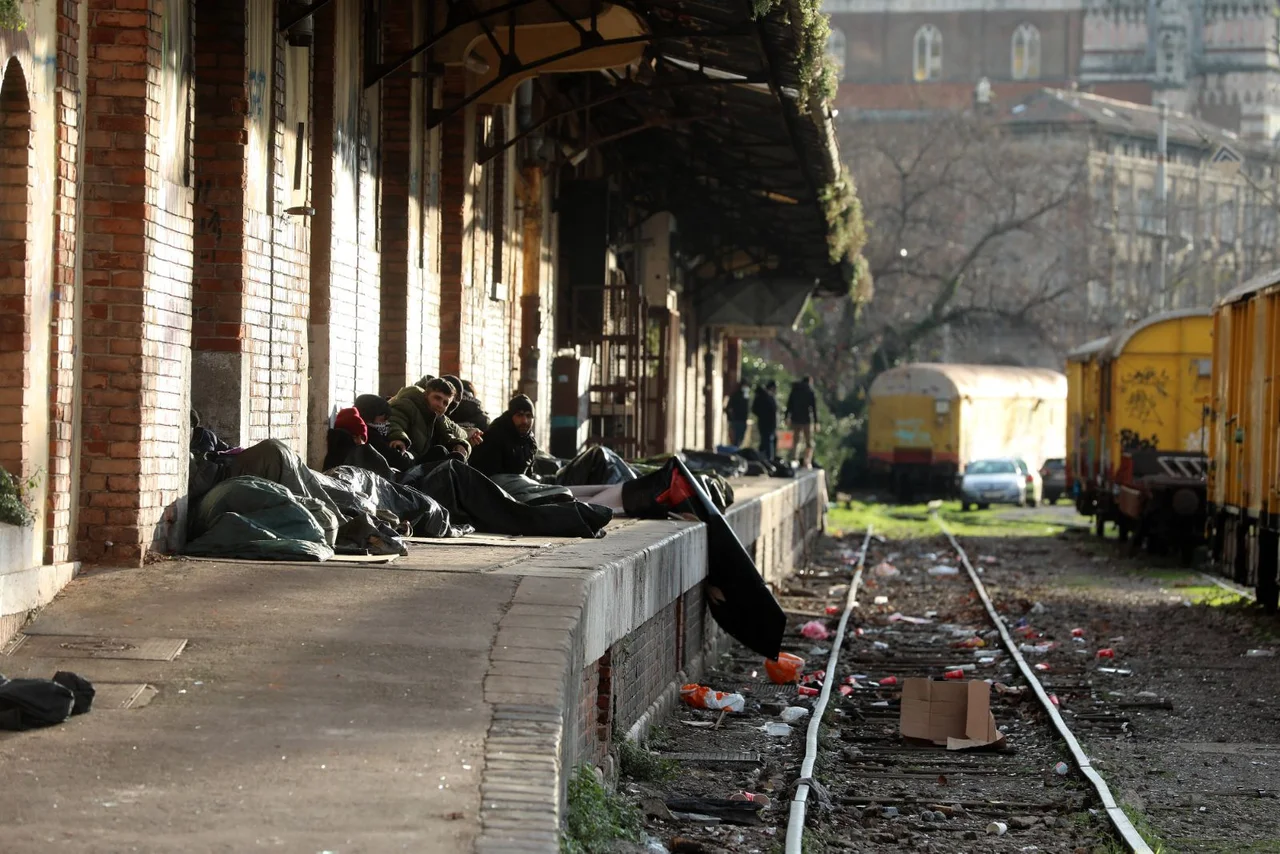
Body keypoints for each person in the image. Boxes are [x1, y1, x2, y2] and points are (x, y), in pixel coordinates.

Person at [387, 378, 474, 462]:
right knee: (440, 451)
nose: (440, 405)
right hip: (403, 460)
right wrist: (399, 439)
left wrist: (461, 445)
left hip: (421, 465)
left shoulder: (440, 419)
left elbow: (455, 433)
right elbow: (395, 421)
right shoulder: (408, 405)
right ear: (426, 395)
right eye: (437, 398)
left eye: (445, 403)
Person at [469, 394, 537, 478]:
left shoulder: (530, 442)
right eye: (520, 415)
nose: (525, 421)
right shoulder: (495, 435)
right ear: (511, 416)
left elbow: (528, 474)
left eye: (529, 416)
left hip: (519, 486)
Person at [785, 375, 819, 469]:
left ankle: (794, 459)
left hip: (795, 419)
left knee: (796, 441)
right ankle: (807, 461)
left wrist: (786, 417)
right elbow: (814, 409)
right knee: (809, 442)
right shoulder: (810, 392)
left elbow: (789, 405)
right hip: (806, 420)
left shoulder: (795, 390)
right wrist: (816, 422)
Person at [752, 381, 778, 461]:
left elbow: (754, 409)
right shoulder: (768, 397)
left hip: (764, 422)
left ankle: (761, 458)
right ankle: (769, 459)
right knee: (768, 441)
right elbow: (773, 410)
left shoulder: (762, 396)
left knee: (765, 441)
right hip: (768, 423)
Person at [724, 381, 751, 448]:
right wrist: (731, 419)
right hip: (736, 421)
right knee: (735, 440)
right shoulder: (735, 395)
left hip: (743, 421)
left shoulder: (746, 396)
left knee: (740, 440)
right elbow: (728, 408)